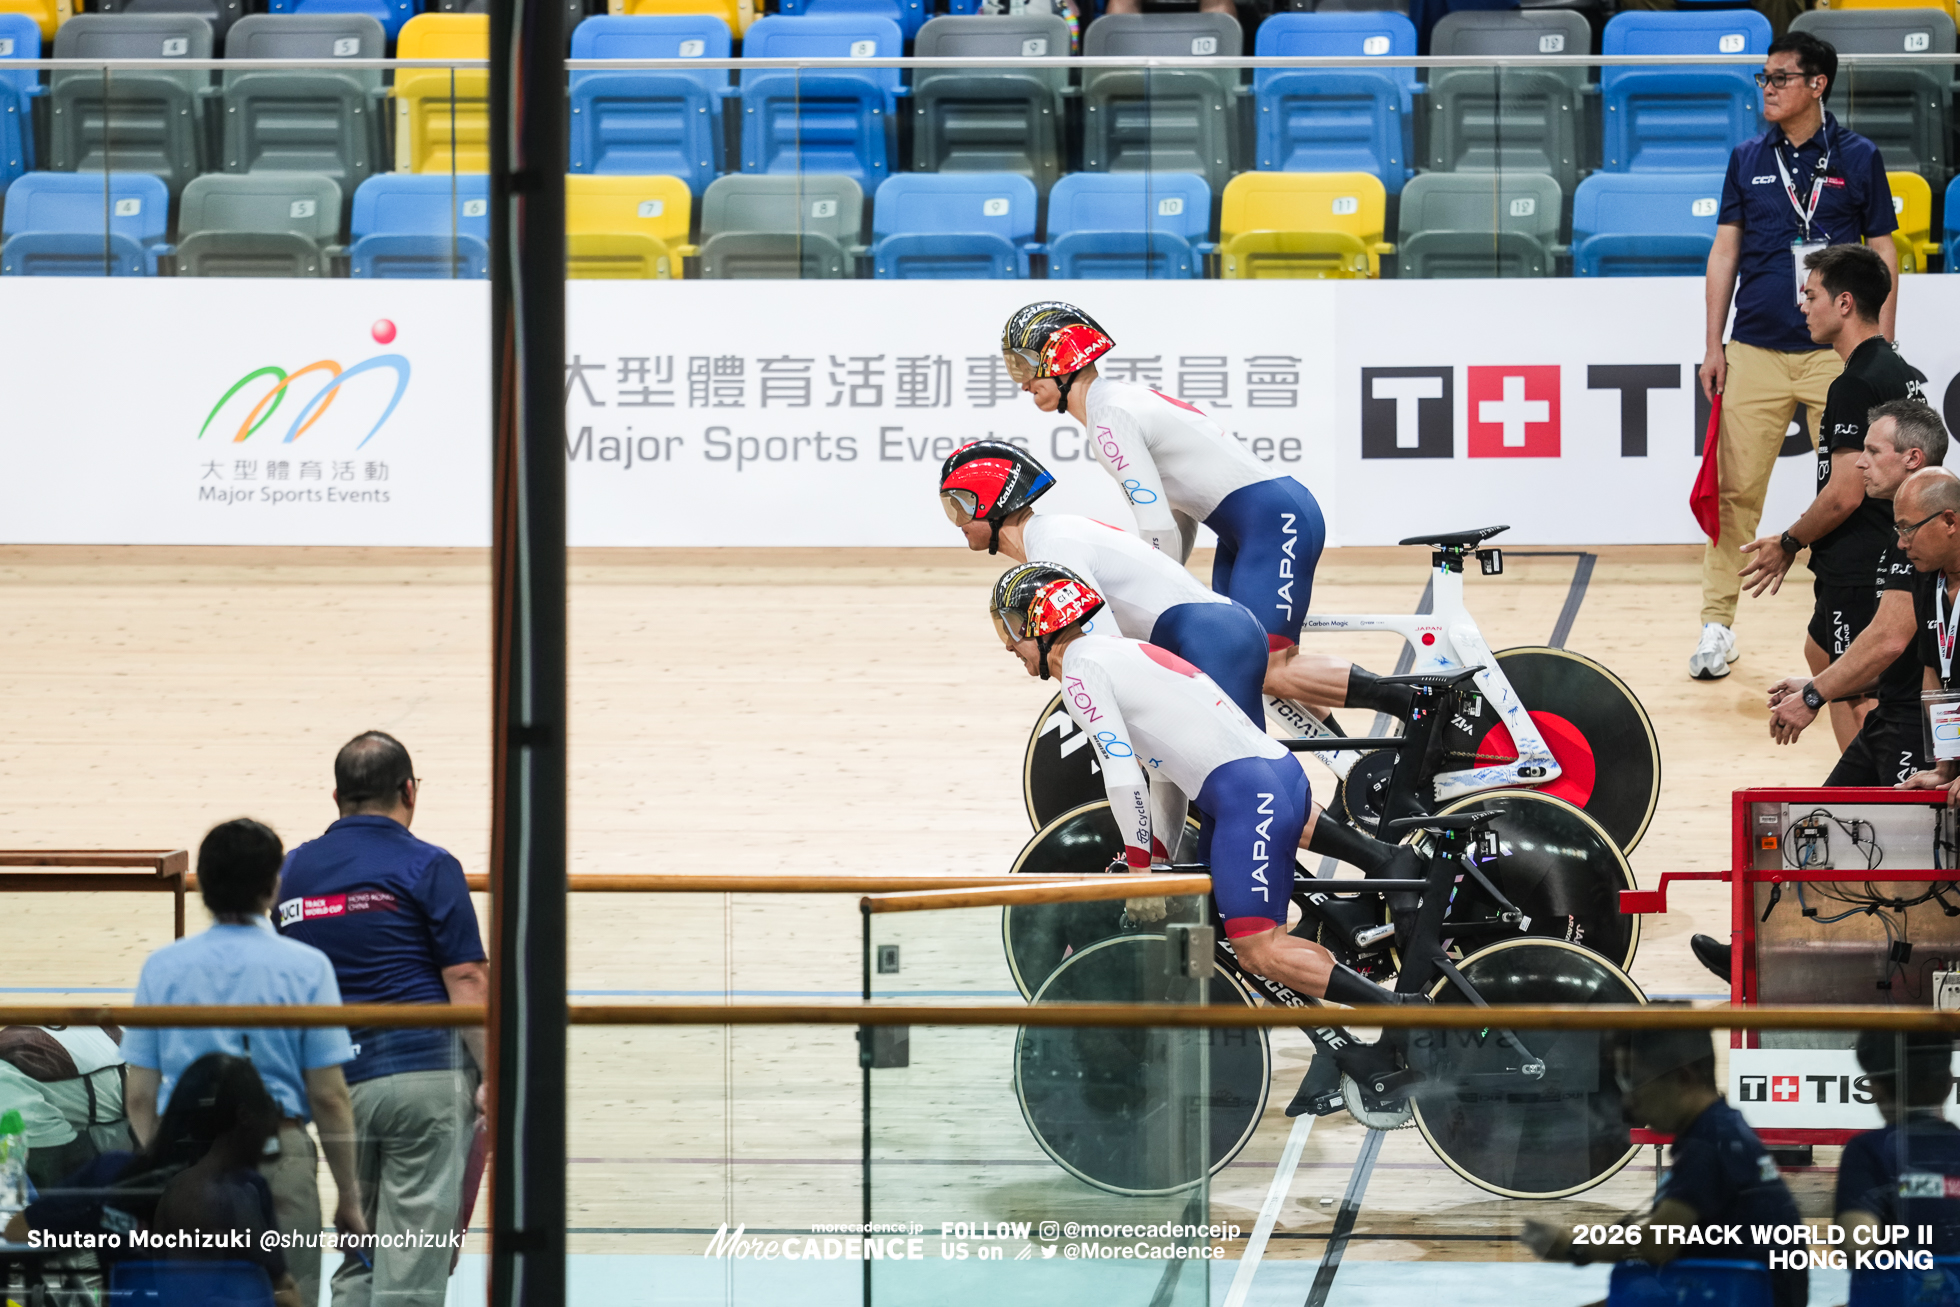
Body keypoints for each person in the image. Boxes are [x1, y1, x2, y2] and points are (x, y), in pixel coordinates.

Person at [988, 560, 1426, 1008]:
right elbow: (1163, 777)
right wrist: (1158, 855)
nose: (1008, 644)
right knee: (1201, 919)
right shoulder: (1111, 652)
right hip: (1262, 783)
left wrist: (1140, 871)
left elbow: (1122, 776)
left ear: (1043, 623)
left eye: (1012, 627)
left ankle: (1407, 1020)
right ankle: (1234, 1032)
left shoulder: (1083, 672)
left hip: (1249, 798)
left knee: (1260, 951)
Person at [999, 304, 1376, 722]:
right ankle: (1353, 767)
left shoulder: (1109, 419)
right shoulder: (1114, 405)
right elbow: (1181, 512)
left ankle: (1416, 702)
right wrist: (1162, 584)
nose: (1023, 382)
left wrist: (1154, 589)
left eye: (1026, 366)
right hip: (1254, 527)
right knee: (1239, 657)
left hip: (1274, 524)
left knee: (1272, 668)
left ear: (1061, 359)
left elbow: (1157, 523)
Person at [1694, 403, 1948, 983]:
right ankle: (1759, 959)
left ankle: (1891, 975)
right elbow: (1898, 651)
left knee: (1897, 863)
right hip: (1896, 715)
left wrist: (1814, 699)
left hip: (1916, 728)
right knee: (1820, 829)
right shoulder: (1903, 532)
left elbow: (1889, 639)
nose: (1860, 460)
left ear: (1913, 458)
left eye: (1874, 450)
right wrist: (1817, 684)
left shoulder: (1923, 533)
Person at [1690, 29, 1899, 682]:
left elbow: (1885, 250)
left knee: (1860, 490)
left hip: (1833, 355)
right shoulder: (1746, 156)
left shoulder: (1860, 157)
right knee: (1734, 492)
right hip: (1753, 346)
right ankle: (1717, 624)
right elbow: (1726, 250)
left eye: (1781, 77)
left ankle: (1870, 619)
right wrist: (1711, 343)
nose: (1769, 88)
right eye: (1765, 78)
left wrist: (1879, 346)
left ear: (1818, 84)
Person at [275, 731, 487, 1307]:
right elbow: (466, 979)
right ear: (409, 791)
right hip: (425, 1084)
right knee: (412, 1265)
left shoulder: (291, 872)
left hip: (337, 1091)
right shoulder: (429, 864)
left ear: (337, 796)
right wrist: (494, 1073)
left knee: (360, 1259)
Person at [123, 818, 366, 1307]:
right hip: (279, 1152)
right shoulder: (307, 967)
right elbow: (329, 1096)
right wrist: (350, 1197)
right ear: (273, 884)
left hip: (187, 1157)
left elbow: (139, 1096)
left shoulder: (162, 967)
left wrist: (165, 1169)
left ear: (203, 888)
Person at [1738, 245, 1926, 749]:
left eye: (1810, 294)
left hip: (1861, 564)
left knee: (1855, 692)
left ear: (1844, 303)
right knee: (1819, 652)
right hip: (1879, 554)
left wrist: (1789, 542)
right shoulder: (1895, 367)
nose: (1802, 305)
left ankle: (1871, 797)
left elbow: (1844, 494)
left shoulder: (1854, 383)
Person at [939, 440, 1271, 724]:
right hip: (1211, 633)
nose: (956, 522)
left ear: (991, 502)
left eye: (960, 507)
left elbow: (1103, 645)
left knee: (1241, 782)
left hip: (1210, 638)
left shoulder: (1052, 547)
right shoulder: (1048, 537)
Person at [1522, 1028, 1805, 1307]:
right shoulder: (1722, 1129)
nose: (1628, 1101)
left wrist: (1572, 1246)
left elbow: (1656, 1244)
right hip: (1722, 1291)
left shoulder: (1708, 1147)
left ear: (1683, 1078)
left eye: (1632, 1082)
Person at [5, 1052, 286, 1292]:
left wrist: (94, 1226)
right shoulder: (249, 1189)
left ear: (171, 1112)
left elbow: (18, 1230)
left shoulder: (110, 1174)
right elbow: (280, 1288)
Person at [149, 1053, 304, 1307]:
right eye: (268, 1110)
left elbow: (283, 1287)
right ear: (246, 1116)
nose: (272, 1130)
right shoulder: (200, 1196)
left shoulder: (248, 1187)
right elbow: (189, 1300)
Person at [1836, 1030, 1960, 1255]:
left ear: (1874, 1089)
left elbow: (1855, 1247)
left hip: (1891, 1289)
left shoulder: (1866, 1151)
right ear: (1949, 1083)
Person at [1890, 469, 1960, 807]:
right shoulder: (1927, 578)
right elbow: (1933, 670)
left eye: (1908, 528)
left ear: (1949, 521)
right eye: (1898, 529)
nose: (1902, 542)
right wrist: (1945, 766)